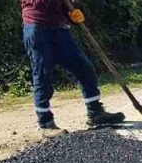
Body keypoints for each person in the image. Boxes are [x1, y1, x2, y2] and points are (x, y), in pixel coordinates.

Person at [20, 0, 125, 138]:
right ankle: (45, 123)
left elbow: (63, 7)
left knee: (84, 68)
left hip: (59, 29)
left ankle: (95, 113)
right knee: (42, 75)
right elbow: (39, 5)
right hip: (37, 28)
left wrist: (73, 16)